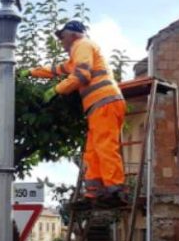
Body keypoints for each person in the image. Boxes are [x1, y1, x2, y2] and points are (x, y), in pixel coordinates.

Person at [21, 20, 127, 206]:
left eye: (62, 37)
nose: (61, 42)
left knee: (104, 146)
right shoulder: (78, 53)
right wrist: (31, 72)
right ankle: (93, 193)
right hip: (99, 105)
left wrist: (57, 90)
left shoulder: (82, 45)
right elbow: (55, 70)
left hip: (104, 102)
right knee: (92, 151)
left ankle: (115, 190)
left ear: (74, 34)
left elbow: (81, 75)